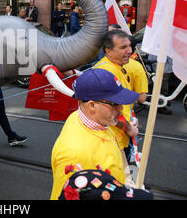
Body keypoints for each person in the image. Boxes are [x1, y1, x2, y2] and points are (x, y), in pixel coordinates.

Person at [50, 68, 140, 200]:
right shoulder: (73, 155)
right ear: (92, 105)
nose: (120, 108)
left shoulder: (94, 120)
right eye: (114, 103)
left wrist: (128, 183)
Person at [94, 30, 146, 185]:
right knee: (119, 182)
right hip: (112, 139)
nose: (130, 51)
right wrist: (128, 128)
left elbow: (122, 105)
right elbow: (109, 112)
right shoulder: (106, 72)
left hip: (120, 135)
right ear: (108, 50)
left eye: (129, 46)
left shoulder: (118, 67)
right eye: (123, 47)